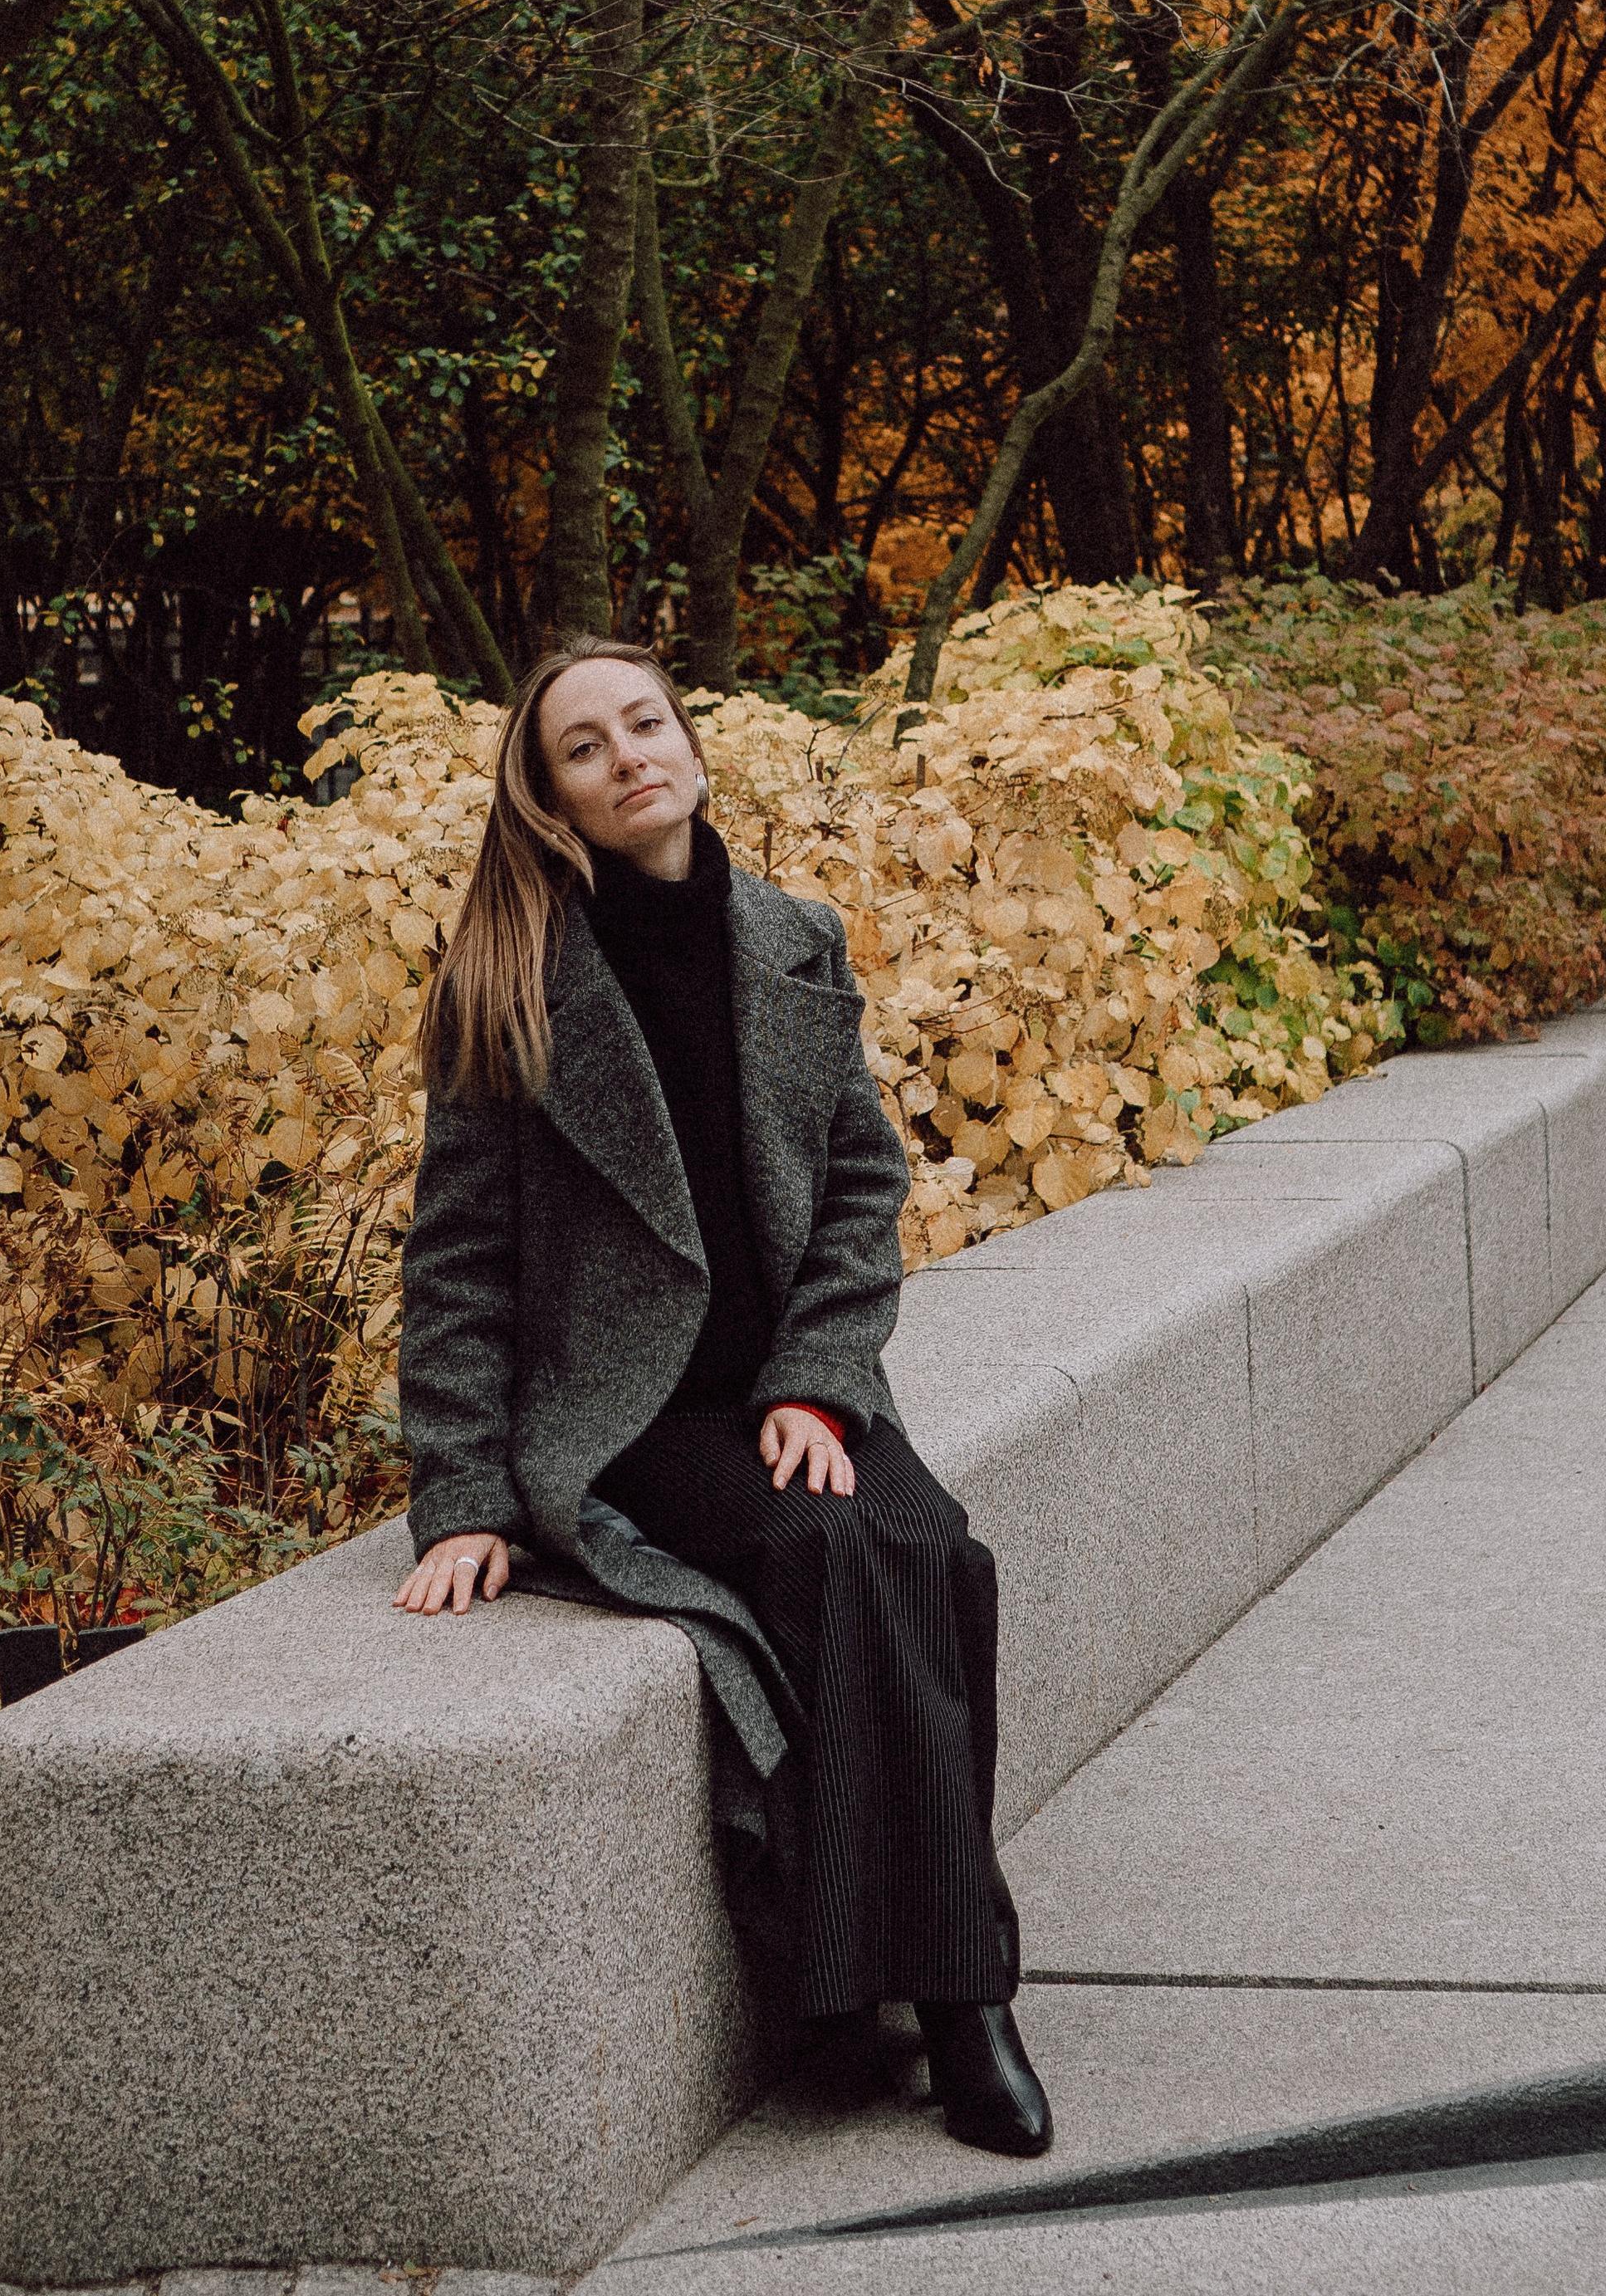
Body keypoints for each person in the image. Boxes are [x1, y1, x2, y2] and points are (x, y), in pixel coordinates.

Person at [391, 636, 1053, 2160]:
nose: (629, 755)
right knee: (836, 1553)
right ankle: (968, 2007)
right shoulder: (506, 985)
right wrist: (466, 1499)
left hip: (781, 1398)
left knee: (934, 1553)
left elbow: (863, 1191)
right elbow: (460, 1265)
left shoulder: (796, 939)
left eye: (647, 723)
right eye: (585, 746)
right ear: (550, 796)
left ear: (690, 746)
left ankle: (874, 1980)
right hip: (630, 1422)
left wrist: (818, 1386)